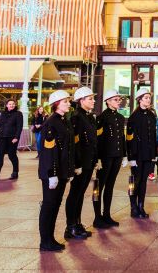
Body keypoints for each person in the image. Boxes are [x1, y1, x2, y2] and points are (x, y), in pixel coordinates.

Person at [38, 90, 75, 252]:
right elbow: (49, 150)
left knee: (55, 205)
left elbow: (68, 149)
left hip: (61, 171)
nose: (69, 103)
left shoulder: (63, 121)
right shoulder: (51, 122)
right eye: (65, 101)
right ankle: (45, 241)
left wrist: (69, 171)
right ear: (56, 104)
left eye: (68, 101)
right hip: (52, 172)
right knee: (48, 205)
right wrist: (52, 174)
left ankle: (50, 238)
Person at [64, 87, 98, 240]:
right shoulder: (76, 117)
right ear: (81, 100)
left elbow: (93, 142)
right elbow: (75, 143)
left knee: (80, 194)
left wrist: (95, 160)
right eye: (90, 98)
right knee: (74, 194)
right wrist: (76, 165)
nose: (93, 101)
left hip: (89, 161)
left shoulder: (90, 117)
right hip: (80, 163)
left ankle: (77, 224)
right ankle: (70, 227)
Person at [93, 90, 127, 229]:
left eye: (119, 100)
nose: (118, 102)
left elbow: (122, 138)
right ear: (107, 101)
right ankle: (97, 217)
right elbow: (98, 140)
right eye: (115, 99)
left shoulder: (120, 117)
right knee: (98, 188)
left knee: (110, 186)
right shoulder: (101, 118)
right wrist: (98, 158)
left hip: (117, 156)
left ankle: (106, 214)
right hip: (105, 157)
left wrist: (124, 155)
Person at [126, 88, 158, 219]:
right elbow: (129, 138)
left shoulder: (151, 115)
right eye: (145, 98)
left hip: (148, 154)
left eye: (149, 98)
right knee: (136, 181)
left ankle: (141, 206)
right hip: (137, 154)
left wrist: (155, 153)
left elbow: (153, 137)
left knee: (144, 181)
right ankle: (133, 207)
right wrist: (131, 157)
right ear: (139, 100)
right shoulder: (134, 117)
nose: (148, 100)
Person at [0, 99, 23, 183]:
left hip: (12, 138)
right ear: (6, 105)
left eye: (13, 104)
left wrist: (16, 138)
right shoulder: (3, 114)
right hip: (2, 137)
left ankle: (15, 172)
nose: (11, 105)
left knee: (12, 155)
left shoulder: (18, 114)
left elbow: (19, 127)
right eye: (10, 104)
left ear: (15, 105)